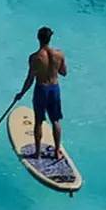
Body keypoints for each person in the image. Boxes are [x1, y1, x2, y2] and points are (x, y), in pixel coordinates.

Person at [17, 26, 68, 159]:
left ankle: (38, 153)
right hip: (54, 89)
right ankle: (57, 152)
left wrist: (21, 93)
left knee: (38, 121)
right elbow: (64, 73)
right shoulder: (59, 54)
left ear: (38, 38)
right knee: (56, 121)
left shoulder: (35, 58)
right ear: (50, 38)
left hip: (41, 89)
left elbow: (30, 79)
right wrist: (54, 68)